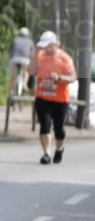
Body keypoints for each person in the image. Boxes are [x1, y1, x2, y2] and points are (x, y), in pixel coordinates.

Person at [28, 31, 76, 164]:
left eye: (48, 46)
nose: (45, 49)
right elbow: (31, 71)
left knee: (59, 129)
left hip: (60, 99)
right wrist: (35, 54)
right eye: (43, 46)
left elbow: (72, 77)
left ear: (56, 44)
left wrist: (60, 77)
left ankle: (59, 148)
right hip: (42, 97)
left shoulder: (65, 58)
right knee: (45, 125)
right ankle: (46, 154)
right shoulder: (40, 55)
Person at [7, 27, 35, 102]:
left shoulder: (15, 40)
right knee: (26, 73)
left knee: (13, 77)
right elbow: (32, 54)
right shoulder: (30, 41)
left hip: (14, 59)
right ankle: (24, 84)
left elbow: (11, 50)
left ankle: (11, 93)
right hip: (25, 60)